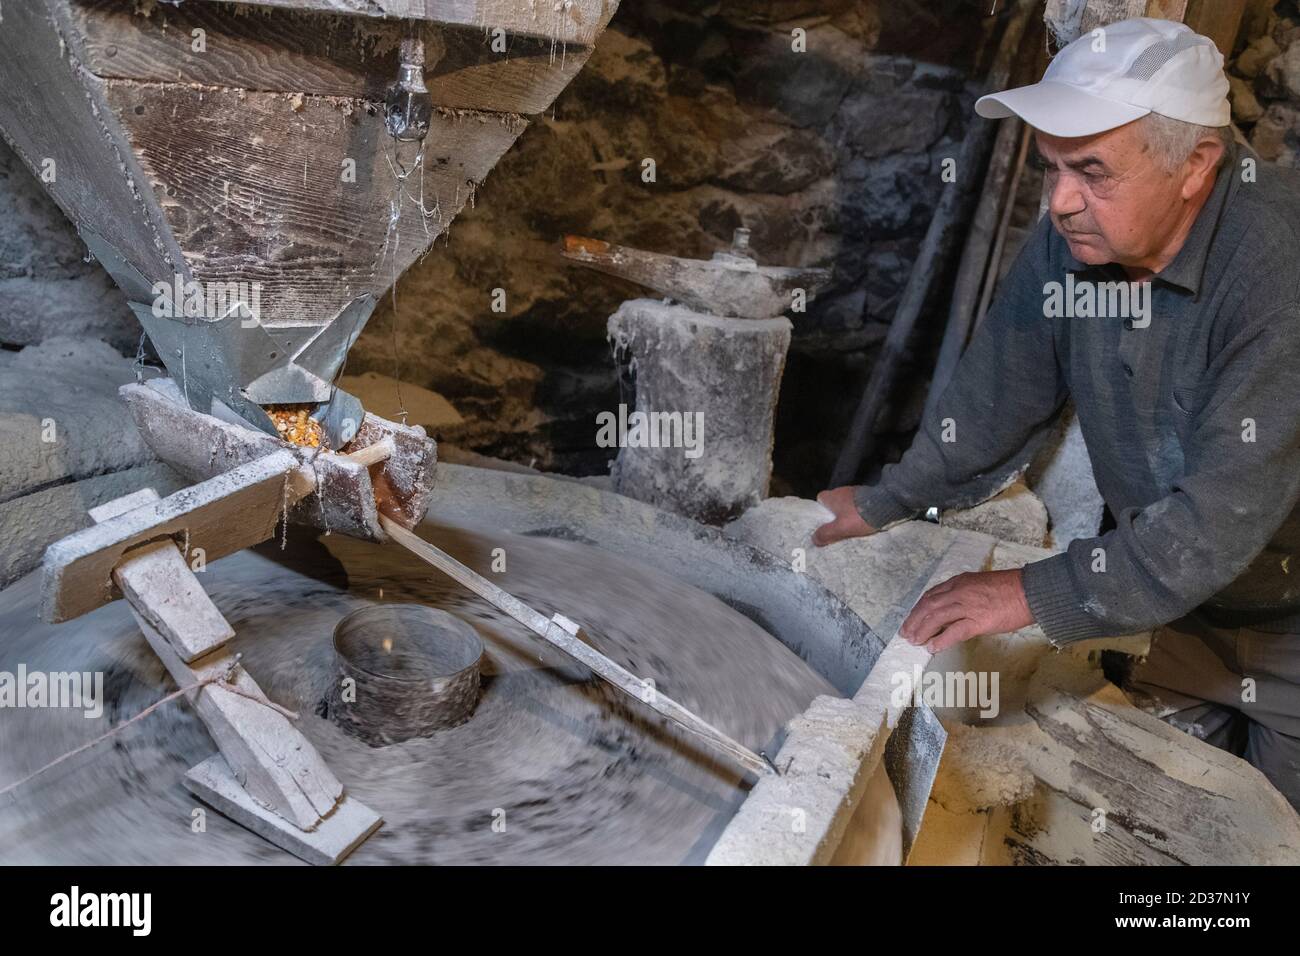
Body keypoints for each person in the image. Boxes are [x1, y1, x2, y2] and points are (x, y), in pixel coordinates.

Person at [814, 18, 1300, 811]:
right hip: (1180, 605)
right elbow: (1001, 387)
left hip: (1290, 613)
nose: (1062, 202)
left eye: (1092, 172)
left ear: (1196, 166)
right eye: (1049, 169)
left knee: (1278, 834)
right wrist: (889, 498)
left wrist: (1026, 596)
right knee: (1146, 812)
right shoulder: (1078, 240)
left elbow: (1217, 520)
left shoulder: (1277, 269)